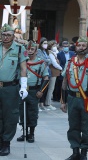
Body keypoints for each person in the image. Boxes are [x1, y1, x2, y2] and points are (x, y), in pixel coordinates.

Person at [0, 23, 28, 156]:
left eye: (8, 35)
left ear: (13, 36)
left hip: (10, 87)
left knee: (10, 116)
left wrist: (23, 86)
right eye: (4, 34)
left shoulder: (20, 49)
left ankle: (6, 143)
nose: (6, 37)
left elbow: (23, 68)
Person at [17, 40, 49, 143]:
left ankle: (31, 134)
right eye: (28, 49)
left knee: (32, 113)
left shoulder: (40, 63)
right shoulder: (22, 62)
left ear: (36, 51)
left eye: (32, 49)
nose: (30, 51)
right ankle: (24, 133)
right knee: (22, 111)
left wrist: (41, 91)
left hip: (34, 91)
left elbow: (46, 78)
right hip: (22, 90)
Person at [45, 40, 62, 110]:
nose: (55, 46)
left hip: (54, 72)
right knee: (51, 88)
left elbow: (57, 53)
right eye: (54, 45)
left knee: (52, 88)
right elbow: (54, 63)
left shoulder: (53, 52)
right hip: (52, 72)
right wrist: (61, 68)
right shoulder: (50, 53)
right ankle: (48, 103)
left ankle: (47, 102)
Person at [37, 37, 51, 110]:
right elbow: (42, 60)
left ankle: (42, 104)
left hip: (48, 71)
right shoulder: (39, 51)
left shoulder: (46, 52)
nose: (46, 45)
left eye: (46, 43)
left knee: (45, 88)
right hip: (42, 72)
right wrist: (48, 60)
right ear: (41, 44)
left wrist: (47, 60)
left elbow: (50, 61)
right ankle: (38, 104)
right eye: (44, 43)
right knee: (40, 88)